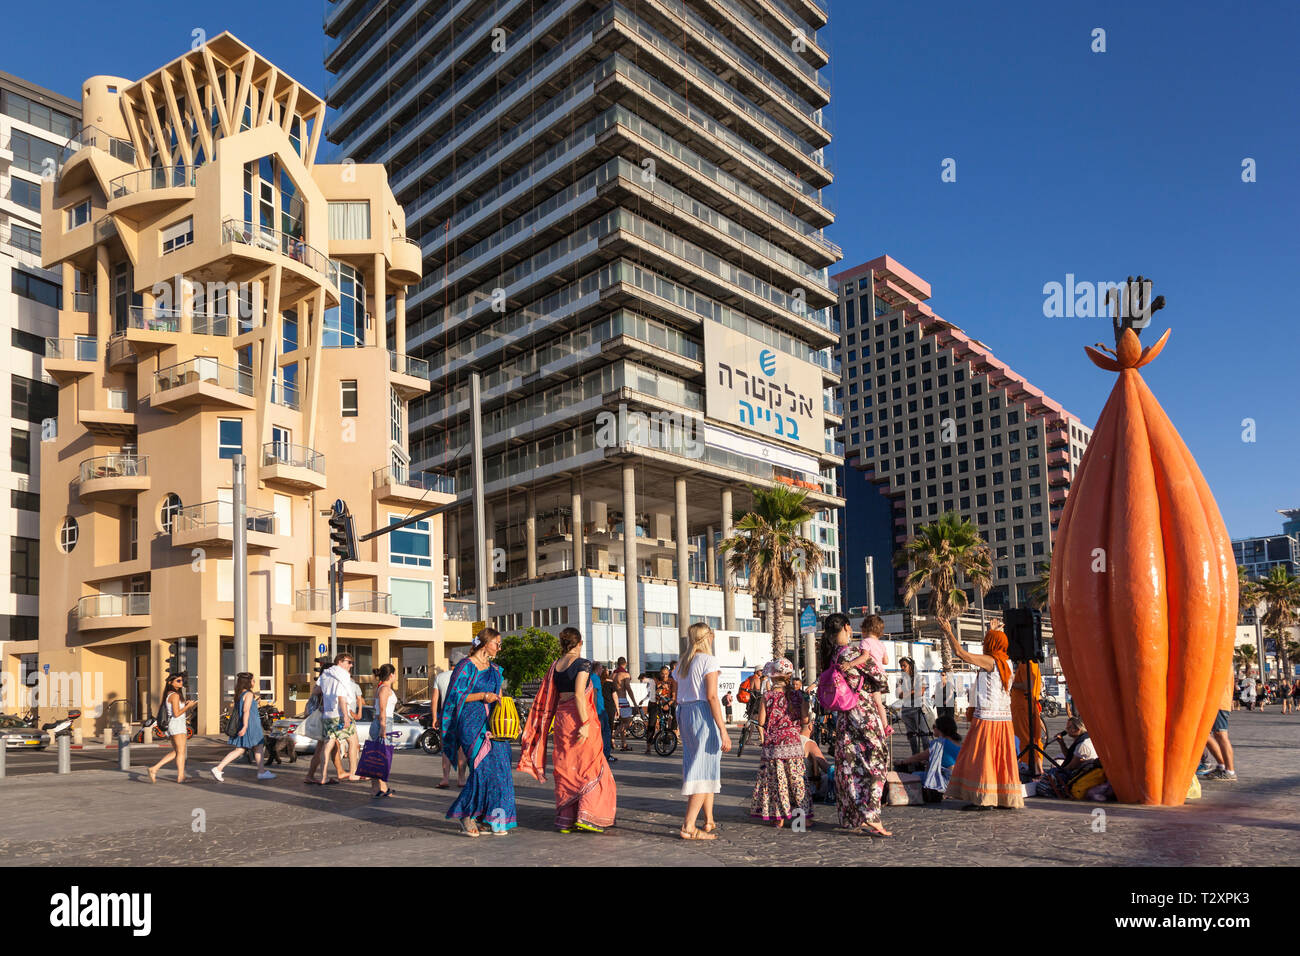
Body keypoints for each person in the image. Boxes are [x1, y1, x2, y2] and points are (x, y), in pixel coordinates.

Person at [518, 627, 617, 833]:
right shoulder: (583, 664)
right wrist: (586, 723)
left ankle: (566, 818)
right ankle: (586, 815)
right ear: (579, 643)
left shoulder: (556, 665)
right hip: (579, 719)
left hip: (562, 720)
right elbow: (580, 695)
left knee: (567, 765)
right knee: (589, 765)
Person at [819, 612, 892, 836]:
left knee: (848, 765)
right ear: (848, 628)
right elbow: (880, 677)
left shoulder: (832, 655)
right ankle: (871, 814)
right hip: (863, 713)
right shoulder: (852, 652)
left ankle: (851, 816)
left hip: (844, 717)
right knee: (877, 761)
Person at [942, 624, 1024, 810]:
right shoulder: (1007, 663)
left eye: (986, 641)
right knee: (1000, 758)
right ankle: (1004, 798)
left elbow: (961, 654)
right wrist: (990, 630)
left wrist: (949, 632)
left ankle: (984, 798)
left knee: (981, 756)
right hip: (1003, 719)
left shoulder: (991, 662)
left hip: (987, 718)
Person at [443, 629, 516, 836]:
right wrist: (483, 695)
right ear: (485, 644)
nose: (499, 648)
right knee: (481, 769)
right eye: (497, 643)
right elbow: (455, 697)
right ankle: (466, 814)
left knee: (500, 769)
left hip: (494, 724)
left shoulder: (494, 669)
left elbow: (500, 697)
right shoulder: (465, 667)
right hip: (471, 723)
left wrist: (508, 722)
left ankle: (488, 817)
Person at [674, 622, 731, 839]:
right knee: (703, 768)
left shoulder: (682, 663)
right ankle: (689, 826)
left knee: (702, 764)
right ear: (707, 637)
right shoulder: (708, 660)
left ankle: (708, 820)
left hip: (685, 712)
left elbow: (677, 692)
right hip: (701, 712)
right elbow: (712, 696)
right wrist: (723, 730)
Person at [749, 658, 814, 827]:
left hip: (773, 746)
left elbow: (762, 722)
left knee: (778, 783)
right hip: (792, 743)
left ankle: (779, 818)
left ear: (772, 677)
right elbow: (805, 718)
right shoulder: (798, 695)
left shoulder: (767, 696)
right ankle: (804, 819)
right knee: (797, 781)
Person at [211, 673, 274, 782]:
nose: (254, 683)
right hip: (251, 725)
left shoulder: (240, 694)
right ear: (248, 682)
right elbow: (246, 710)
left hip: (246, 724)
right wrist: (245, 726)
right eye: (253, 680)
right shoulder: (249, 694)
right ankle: (261, 772)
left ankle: (261, 771)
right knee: (255, 747)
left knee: (244, 749)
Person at [315, 653, 358, 785]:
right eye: (348, 662)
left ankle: (323, 777)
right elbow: (341, 696)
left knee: (327, 746)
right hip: (339, 714)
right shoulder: (342, 675)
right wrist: (346, 716)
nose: (350, 665)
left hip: (327, 715)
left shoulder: (326, 674)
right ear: (340, 661)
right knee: (353, 742)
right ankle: (353, 773)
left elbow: (316, 691)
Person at [896, 713, 963, 796]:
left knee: (915, 775)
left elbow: (919, 757)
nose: (933, 729)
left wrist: (902, 762)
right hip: (961, 781)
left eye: (934, 726)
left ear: (940, 729)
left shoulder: (939, 744)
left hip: (947, 781)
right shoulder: (960, 744)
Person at [148, 672, 197, 784]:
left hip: (176, 724)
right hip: (177, 725)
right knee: (180, 752)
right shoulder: (174, 695)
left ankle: (156, 769)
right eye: (178, 681)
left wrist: (186, 705)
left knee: (178, 751)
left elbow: (176, 711)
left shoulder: (171, 694)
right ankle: (178, 775)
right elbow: (176, 713)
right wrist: (188, 707)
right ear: (171, 683)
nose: (181, 682)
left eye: (181, 680)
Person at [434, 663, 467, 789]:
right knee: (461, 749)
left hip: (445, 716)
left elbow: (435, 699)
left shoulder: (440, 677)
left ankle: (445, 779)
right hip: (461, 714)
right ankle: (461, 779)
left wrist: (434, 717)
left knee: (446, 749)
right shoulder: (466, 676)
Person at [1011, 658, 1045, 776]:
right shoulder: (1033, 664)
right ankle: (1038, 768)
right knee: (1035, 739)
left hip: (1023, 706)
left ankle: (1028, 769)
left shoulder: (1025, 663)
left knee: (1024, 738)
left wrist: (1010, 682)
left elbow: (1027, 685)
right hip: (1030, 704)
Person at [368, 664, 398, 799]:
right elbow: (382, 709)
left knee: (377, 757)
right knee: (382, 757)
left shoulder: (382, 687)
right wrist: (383, 727)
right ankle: (380, 787)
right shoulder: (385, 689)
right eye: (395, 673)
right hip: (384, 722)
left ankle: (378, 788)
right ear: (391, 674)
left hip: (383, 722)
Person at [1201, 671, 1238, 781]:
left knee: (1221, 735)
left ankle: (1230, 771)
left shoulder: (1224, 660)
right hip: (1214, 702)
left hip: (1220, 703)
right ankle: (1222, 765)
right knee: (1204, 734)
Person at [896, 657, 925, 755]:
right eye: (901, 666)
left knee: (923, 735)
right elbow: (900, 695)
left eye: (904, 665)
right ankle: (916, 759)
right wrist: (913, 691)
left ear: (911, 665)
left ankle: (927, 758)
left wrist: (907, 693)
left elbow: (920, 692)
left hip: (918, 709)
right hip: (906, 710)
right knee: (911, 736)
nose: (902, 668)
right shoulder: (900, 680)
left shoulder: (918, 678)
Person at [645, 665, 676, 755]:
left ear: (669, 673)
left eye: (666, 674)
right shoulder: (655, 681)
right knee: (652, 724)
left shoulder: (672, 681)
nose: (664, 676)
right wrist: (661, 687)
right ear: (660, 673)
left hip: (667, 703)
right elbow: (652, 694)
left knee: (675, 716)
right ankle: (648, 746)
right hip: (655, 704)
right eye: (663, 674)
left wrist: (668, 704)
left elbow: (673, 697)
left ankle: (671, 735)